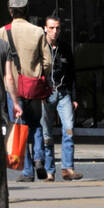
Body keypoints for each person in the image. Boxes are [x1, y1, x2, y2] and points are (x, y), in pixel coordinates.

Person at [0, 0, 50, 182]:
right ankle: (38, 157)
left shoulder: (2, 32)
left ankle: (27, 170)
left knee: (19, 127)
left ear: (10, 11)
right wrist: (41, 77)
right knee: (36, 124)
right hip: (33, 86)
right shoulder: (37, 31)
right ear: (26, 10)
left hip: (13, 89)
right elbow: (48, 61)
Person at [36, 15, 81, 182]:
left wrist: (74, 96)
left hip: (63, 93)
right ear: (45, 28)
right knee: (47, 134)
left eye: (58, 28)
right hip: (45, 94)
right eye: (52, 28)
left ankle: (68, 168)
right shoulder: (40, 47)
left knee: (69, 129)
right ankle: (49, 171)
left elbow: (72, 73)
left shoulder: (65, 47)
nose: (55, 31)